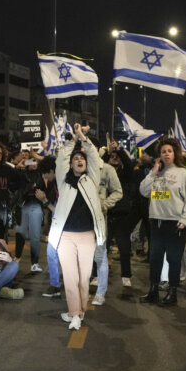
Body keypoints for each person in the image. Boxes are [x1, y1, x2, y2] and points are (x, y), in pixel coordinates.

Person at [48, 124, 107, 330]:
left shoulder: (92, 179)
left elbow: (93, 155)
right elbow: (61, 158)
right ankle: (75, 313)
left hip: (87, 236)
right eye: (76, 159)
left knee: (84, 278)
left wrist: (83, 138)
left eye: (81, 158)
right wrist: (73, 140)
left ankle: (79, 311)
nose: (79, 160)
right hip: (66, 236)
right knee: (71, 277)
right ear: (71, 164)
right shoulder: (63, 181)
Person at [138, 137, 186, 306]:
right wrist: (153, 171)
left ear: (174, 153)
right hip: (157, 222)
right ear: (159, 155)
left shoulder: (182, 172)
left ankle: (172, 293)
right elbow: (144, 191)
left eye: (169, 151)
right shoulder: (156, 172)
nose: (166, 154)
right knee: (155, 258)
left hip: (175, 223)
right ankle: (153, 291)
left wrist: (185, 219)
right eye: (163, 152)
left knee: (173, 259)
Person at [88, 147, 124, 305]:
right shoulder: (82, 167)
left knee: (100, 255)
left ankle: (100, 292)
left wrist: (104, 205)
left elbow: (118, 191)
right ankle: (82, 290)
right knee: (82, 256)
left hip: (100, 219)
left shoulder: (107, 169)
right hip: (81, 220)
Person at [104, 143, 140, 287]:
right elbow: (98, 162)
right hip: (106, 214)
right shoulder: (102, 174)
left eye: (116, 157)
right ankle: (97, 274)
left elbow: (129, 165)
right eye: (111, 157)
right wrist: (109, 151)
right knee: (102, 247)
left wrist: (119, 151)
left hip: (121, 215)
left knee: (124, 248)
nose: (114, 158)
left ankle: (126, 275)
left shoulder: (125, 175)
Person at [14, 156, 58, 274]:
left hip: (36, 206)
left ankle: (34, 263)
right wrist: (21, 162)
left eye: (35, 161)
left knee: (35, 236)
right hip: (23, 206)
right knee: (20, 234)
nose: (33, 163)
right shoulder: (22, 173)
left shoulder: (41, 175)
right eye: (30, 161)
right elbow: (16, 180)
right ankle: (17, 258)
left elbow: (47, 190)